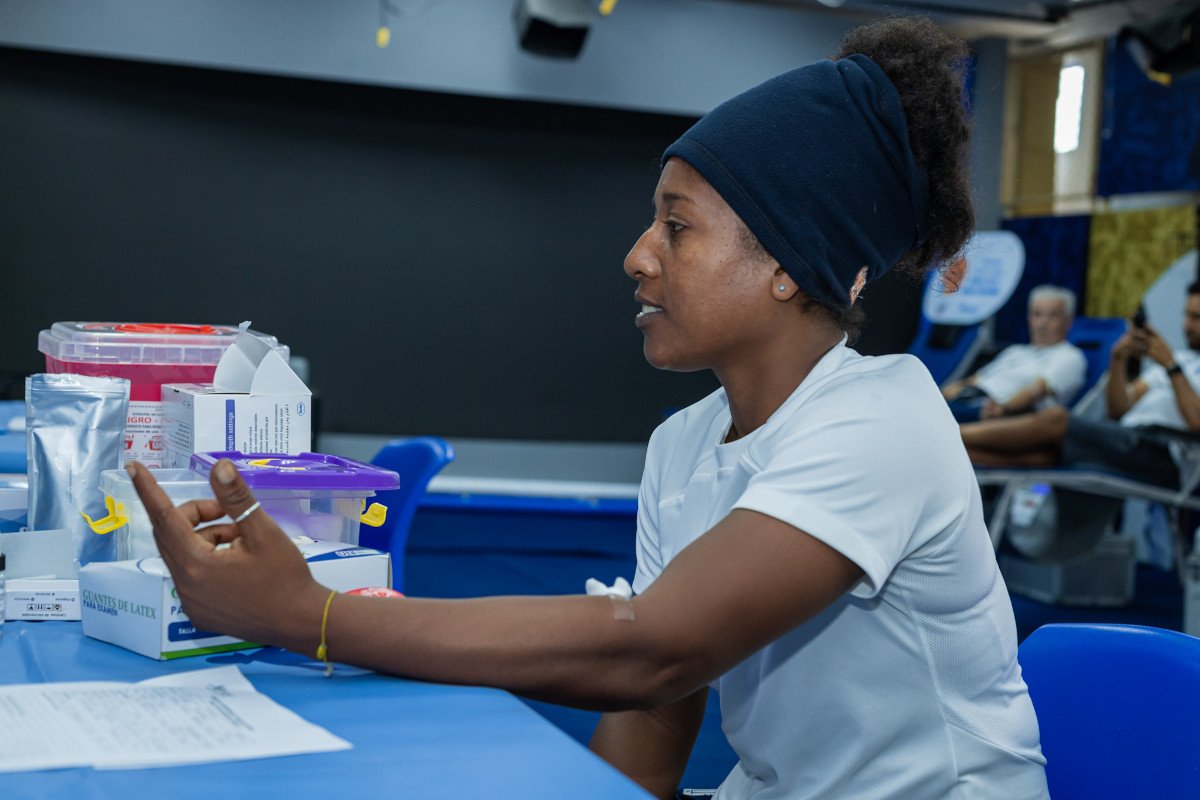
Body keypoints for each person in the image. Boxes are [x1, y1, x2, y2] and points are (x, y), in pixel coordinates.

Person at [127, 17, 1048, 800]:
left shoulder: (885, 418)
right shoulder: (684, 445)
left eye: (677, 226)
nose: (638, 255)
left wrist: (308, 613)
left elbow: (655, 651)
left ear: (786, 265)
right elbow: (655, 710)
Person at [961, 282, 1200, 488]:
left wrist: (1171, 366)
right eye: (1186, 315)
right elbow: (1117, 410)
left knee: (1058, 420)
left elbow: (1197, 423)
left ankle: (951, 436)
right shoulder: (1183, 360)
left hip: (1167, 452)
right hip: (1129, 438)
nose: (1186, 325)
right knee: (1043, 456)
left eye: (1196, 317)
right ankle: (953, 456)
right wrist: (1118, 358)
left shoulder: (1174, 363)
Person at [942, 285, 1086, 422]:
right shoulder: (1015, 351)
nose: (1043, 323)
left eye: (1053, 316)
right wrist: (941, 395)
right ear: (1029, 318)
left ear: (1068, 322)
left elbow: (1038, 389)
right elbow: (975, 379)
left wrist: (1003, 409)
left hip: (1003, 413)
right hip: (969, 399)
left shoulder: (1070, 356)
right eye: (1037, 314)